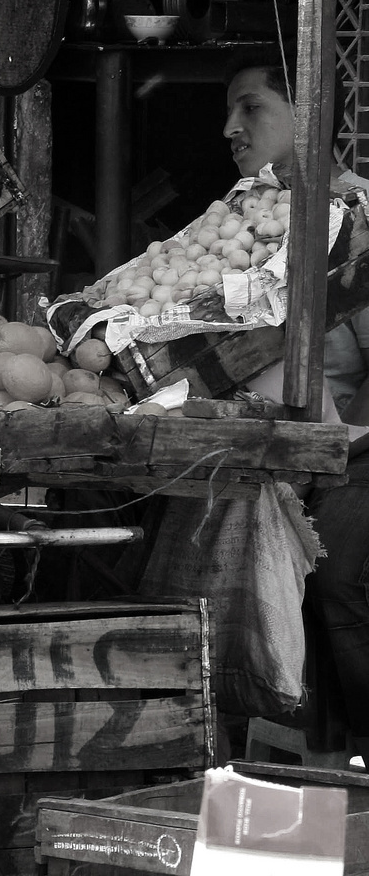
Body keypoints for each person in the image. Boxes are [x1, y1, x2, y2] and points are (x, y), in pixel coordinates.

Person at [224, 49, 369, 763]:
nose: (229, 126)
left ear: (310, 119)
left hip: (342, 464)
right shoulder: (234, 221)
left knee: (337, 579)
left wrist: (334, 455)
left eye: (250, 107)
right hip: (244, 463)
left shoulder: (355, 221)